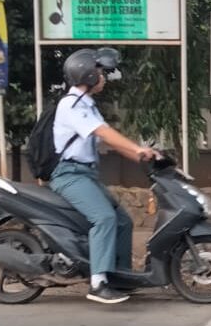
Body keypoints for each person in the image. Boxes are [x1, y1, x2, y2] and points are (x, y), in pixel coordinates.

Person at [51, 48, 157, 305]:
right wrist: (136, 149)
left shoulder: (88, 105)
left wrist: (144, 157)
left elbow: (110, 140)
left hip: (86, 174)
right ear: (87, 75)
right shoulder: (71, 105)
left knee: (123, 221)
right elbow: (103, 132)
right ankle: (98, 283)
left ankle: (119, 276)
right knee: (105, 218)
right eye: (100, 72)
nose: (104, 77)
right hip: (69, 174)